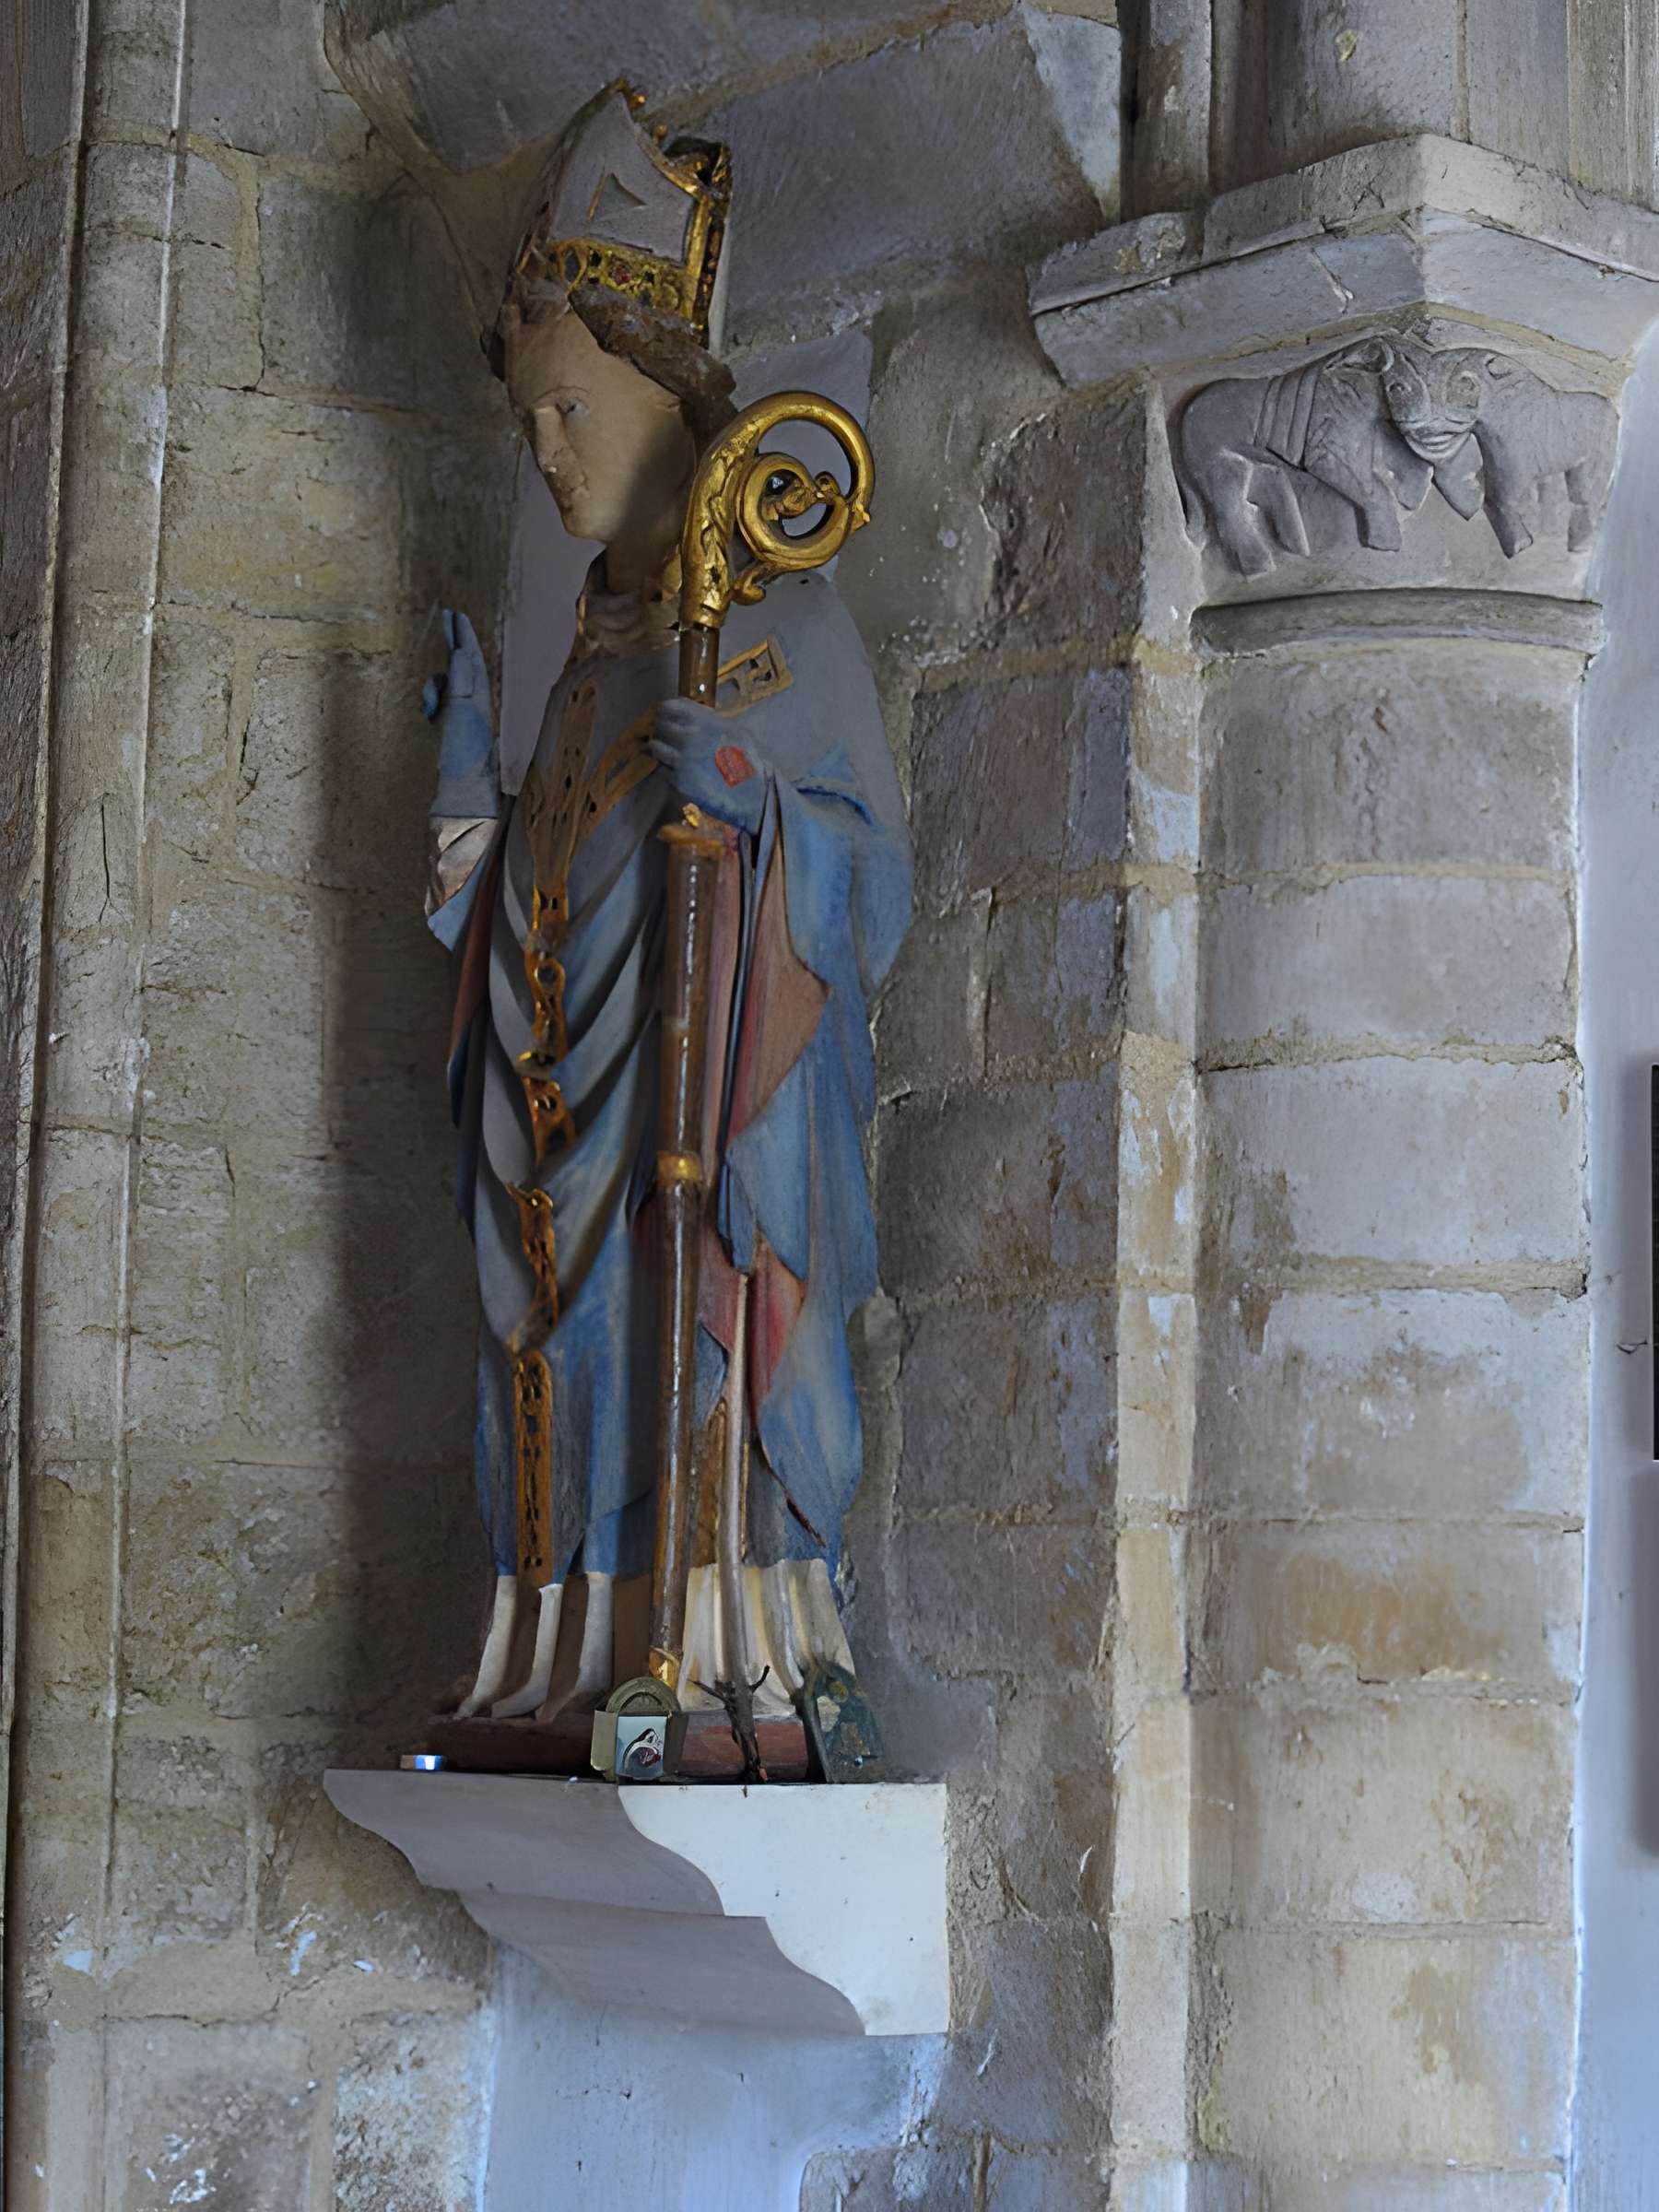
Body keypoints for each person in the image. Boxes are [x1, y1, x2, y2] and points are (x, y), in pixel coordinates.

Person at [422, 82, 912, 1726]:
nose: (547, 452)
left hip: (708, 1165)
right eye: (532, 428)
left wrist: (763, 820)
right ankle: (569, 1638)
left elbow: (874, 894)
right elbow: (532, 928)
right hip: (564, 1163)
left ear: (659, 388)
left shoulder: (785, 631)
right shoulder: (585, 673)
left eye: (569, 411)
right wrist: (462, 828)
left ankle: (721, 1640)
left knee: (707, 1301)